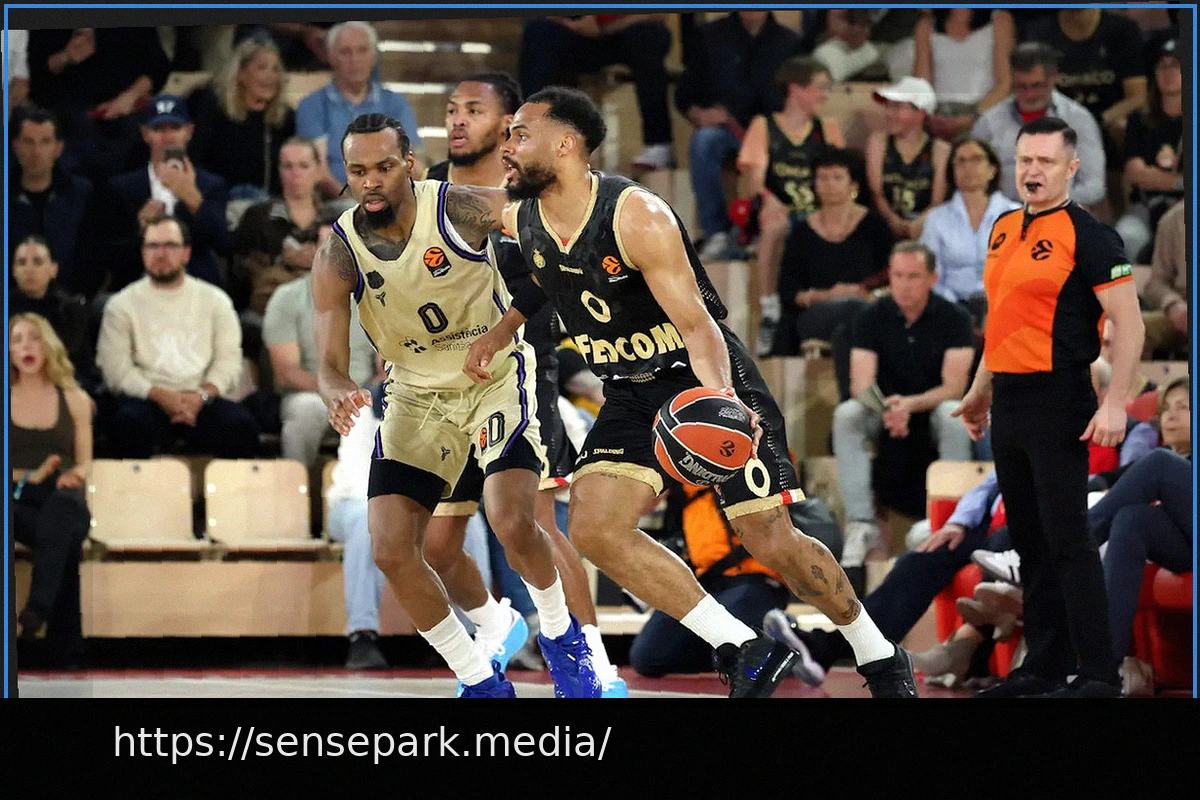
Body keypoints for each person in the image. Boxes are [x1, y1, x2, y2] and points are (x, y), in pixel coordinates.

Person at [465, 85, 919, 697]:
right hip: (628, 390)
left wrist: (724, 400)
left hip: (698, 379)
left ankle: (879, 654)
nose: (508, 146)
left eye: (521, 134)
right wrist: (498, 330)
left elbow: (699, 326)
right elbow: (529, 257)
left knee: (770, 539)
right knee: (594, 528)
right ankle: (742, 647)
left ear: (566, 144)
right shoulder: (525, 216)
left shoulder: (637, 216)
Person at [312, 113, 602, 699]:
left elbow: (551, 224)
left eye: (384, 167)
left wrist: (510, 322)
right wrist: (336, 390)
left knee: (511, 519)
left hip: (493, 376)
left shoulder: (459, 207)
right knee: (392, 549)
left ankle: (560, 633)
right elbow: (329, 364)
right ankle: (478, 678)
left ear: (410, 164)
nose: (371, 181)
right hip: (416, 394)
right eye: (358, 171)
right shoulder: (338, 252)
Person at [421, 73, 627, 696]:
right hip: (445, 380)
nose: (458, 120)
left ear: (512, 123)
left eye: (474, 110)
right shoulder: (431, 185)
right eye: (451, 109)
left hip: (521, 367)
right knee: (436, 540)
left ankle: (597, 669)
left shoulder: (534, 187)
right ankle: (498, 623)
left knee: (534, 522)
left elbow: (564, 271)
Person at [953, 116, 1145, 698]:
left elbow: (1131, 325)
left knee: (1068, 540)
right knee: (1029, 540)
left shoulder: (1091, 235)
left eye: (1045, 161)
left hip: (1060, 397)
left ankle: (1099, 672)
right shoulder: (1003, 227)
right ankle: (1042, 665)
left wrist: (1116, 404)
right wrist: (980, 390)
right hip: (1009, 401)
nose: (1032, 171)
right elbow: (1002, 319)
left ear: (1071, 168)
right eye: (1025, 160)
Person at [833, 242, 976, 569]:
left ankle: (949, 518)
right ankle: (861, 524)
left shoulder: (955, 318)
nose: (904, 284)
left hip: (930, 409)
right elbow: (861, 384)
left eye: (913, 276)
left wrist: (909, 405)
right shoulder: (871, 316)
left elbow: (954, 387)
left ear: (932, 279)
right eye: (897, 276)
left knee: (953, 414)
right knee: (847, 414)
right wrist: (890, 410)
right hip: (883, 411)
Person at [95, 215, 259, 459]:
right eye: (152, 246)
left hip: (201, 398)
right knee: (126, 425)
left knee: (240, 426)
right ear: (143, 253)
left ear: (186, 253)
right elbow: (116, 370)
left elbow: (228, 362)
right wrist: (161, 396)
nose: (160, 254)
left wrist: (200, 397)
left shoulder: (215, 301)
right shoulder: (121, 305)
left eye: (170, 246)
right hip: (147, 398)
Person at [629, 483, 805, 680]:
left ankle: (793, 644)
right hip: (705, 584)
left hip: (752, 578)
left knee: (731, 644)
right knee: (647, 658)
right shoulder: (680, 491)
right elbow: (641, 506)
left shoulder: (736, 473)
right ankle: (755, 650)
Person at [674, 12, 807, 261]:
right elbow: (685, 94)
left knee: (794, 145)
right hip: (726, 130)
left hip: (773, 132)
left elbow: (798, 95)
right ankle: (716, 233)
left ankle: (773, 230)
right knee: (704, 141)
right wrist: (700, 114)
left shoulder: (790, 43)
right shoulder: (709, 36)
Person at [736, 56, 845, 358]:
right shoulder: (764, 126)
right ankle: (769, 307)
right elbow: (754, 180)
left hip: (819, 211)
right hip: (780, 211)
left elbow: (841, 175)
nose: (825, 95)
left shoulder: (827, 128)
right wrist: (769, 196)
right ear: (796, 89)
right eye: (820, 87)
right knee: (775, 222)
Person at [1088, 376, 1191, 696]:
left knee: (1159, 462)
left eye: (1184, 407)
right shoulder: (1166, 466)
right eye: (1166, 408)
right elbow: (1104, 481)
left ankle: (1063, 549)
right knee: (1131, 519)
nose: (1170, 415)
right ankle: (1103, 669)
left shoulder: (1164, 466)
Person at [10, 313, 94, 668]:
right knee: (64, 538)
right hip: (16, 496)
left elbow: (85, 462)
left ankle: (37, 608)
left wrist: (74, 474)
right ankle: (62, 647)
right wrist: (30, 475)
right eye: (17, 340)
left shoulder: (74, 398)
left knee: (64, 511)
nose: (26, 347)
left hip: (61, 495)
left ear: (48, 345)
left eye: (33, 338)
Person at [262, 215, 376, 469]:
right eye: (329, 245)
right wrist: (337, 395)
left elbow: (387, 365)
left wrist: (361, 397)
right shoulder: (287, 297)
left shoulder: (377, 298)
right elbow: (286, 372)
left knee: (385, 411)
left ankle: (373, 490)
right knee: (305, 412)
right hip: (309, 393)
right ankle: (296, 487)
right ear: (314, 249)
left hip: (366, 394)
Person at [773, 146, 895, 357]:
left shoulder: (875, 226)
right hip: (816, 314)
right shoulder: (802, 233)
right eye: (822, 178)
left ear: (853, 184)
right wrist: (829, 295)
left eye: (837, 178)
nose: (829, 185)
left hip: (867, 308)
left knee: (862, 312)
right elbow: (789, 292)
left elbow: (892, 277)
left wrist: (865, 294)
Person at [104, 95, 231, 291]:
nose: (168, 137)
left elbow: (223, 245)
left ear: (189, 132)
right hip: (140, 287)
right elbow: (111, 258)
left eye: (175, 128)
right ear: (145, 134)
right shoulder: (123, 188)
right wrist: (141, 230)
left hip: (197, 287)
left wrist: (194, 199)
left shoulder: (211, 185)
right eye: (159, 129)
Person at [518, 15, 675, 170]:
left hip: (625, 31)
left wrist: (603, 28)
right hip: (574, 33)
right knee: (539, 31)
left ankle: (658, 144)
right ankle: (533, 135)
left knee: (649, 34)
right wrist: (574, 23)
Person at [26, 27, 171, 184]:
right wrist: (65, 56)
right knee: (83, 135)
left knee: (136, 133)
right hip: (68, 106)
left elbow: (158, 66)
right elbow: (34, 77)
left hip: (125, 102)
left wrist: (129, 97)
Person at [971, 42, 1106, 209]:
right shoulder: (989, 123)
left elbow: (1094, 185)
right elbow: (972, 181)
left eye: (1037, 86)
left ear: (1054, 77)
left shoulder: (1079, 120)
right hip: (1002, 213)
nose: (1029, 95)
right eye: (1021, 86)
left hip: (1060, 211)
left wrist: (1050, 202)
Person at [295, 21, 424, 195]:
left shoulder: (395, 103)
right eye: (345, 52)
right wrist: (353, 203)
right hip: (334, 201)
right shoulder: (312, 106)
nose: (354, 60)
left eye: (362, 50)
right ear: (331, 57)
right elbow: (320, 173)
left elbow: (413, 160)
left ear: (374, 56)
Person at [324, 391, 390, 669]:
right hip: (352, 504)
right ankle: (362, 635)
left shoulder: (434, 405)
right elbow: (360, 481)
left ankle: (475, 635)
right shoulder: (363, 406)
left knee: (467, 519)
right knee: (367, 519)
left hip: (404, 510)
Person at [187, 35, 296, 202]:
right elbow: (197, 160)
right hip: (218, 199)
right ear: (241, 73)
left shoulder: (284, 118)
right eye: (262, 68)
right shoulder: (213, 108)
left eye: (276, 69)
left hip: (266, 204)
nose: (271, 76)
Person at [920, 135, 1021, 312]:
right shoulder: (937, 219)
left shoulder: (1016, 215)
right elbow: (930, 273)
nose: (968, 167)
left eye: (976, 159)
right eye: (960, 161)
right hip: (951, 308)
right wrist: (953, 309)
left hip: (1006, 307)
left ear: (992, 170)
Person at [8, 105, 99, 299]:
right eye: (28, 142)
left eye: (45, 142)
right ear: (15, 146)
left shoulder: (81, 193)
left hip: (68, 303)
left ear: (59, 148)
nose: (36, 152)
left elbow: (91, 259)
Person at [231, 137, 328, 317]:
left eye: (303, 166)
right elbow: (239, 276)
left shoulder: (335, 219)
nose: (295, 173)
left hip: (324, 311)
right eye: (288, 166)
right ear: (279, 171)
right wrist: (283, 260)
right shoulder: (257, 217)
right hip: (269, 310)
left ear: (318, 170)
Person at [1023, 9, 1147, 142]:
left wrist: (1095, 122)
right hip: (1056, 128)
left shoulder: (1122, 30)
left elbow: (1137, 96)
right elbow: (1031, 94)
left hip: (1107, 123)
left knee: (1124, 127)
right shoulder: (1038, 32)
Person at [1114, 35, 1183, 264]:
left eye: (1176, 65)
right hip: (1146, 205)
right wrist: (1177, 180)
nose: (1168, 72)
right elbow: (1135, 172)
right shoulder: (1140, 119)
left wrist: (1164, 180)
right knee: (1126, 237)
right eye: (1163, 66)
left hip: (1187, 206)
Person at [10, 237, 101, 398]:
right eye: (22, 263)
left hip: (64, 388)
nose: (29, 269)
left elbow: (80, 365)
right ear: (13, 271)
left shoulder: (70, 309)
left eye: (37, 262)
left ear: (54, 269)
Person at [865, 76, 950, 241]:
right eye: (887, 106)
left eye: (897, 107)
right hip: (884, 228)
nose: (888, 114)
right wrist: (893, 221)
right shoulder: (878, 143)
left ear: (921, 113)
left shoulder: (940, 150)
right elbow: (876, 193)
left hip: (925, 229)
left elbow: (937, 201)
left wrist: (916, 225)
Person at [912, 10, 1015, 142]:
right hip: (940, 115)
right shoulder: (926, 26)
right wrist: (930, 118)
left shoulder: (999, 21)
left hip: (983, 111)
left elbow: (1005, 84)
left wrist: (974, 117)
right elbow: (921, 84)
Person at [1139, 199, 1188, 359]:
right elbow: (1156, 284)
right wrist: (1173, 305)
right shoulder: (1174, 218)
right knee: (1131, 328)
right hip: (1186, 313)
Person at [811, 9, 883, 84]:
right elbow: (834, 28)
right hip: (835, 44)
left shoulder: (871, 52)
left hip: (869, 48)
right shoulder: (826, 52)